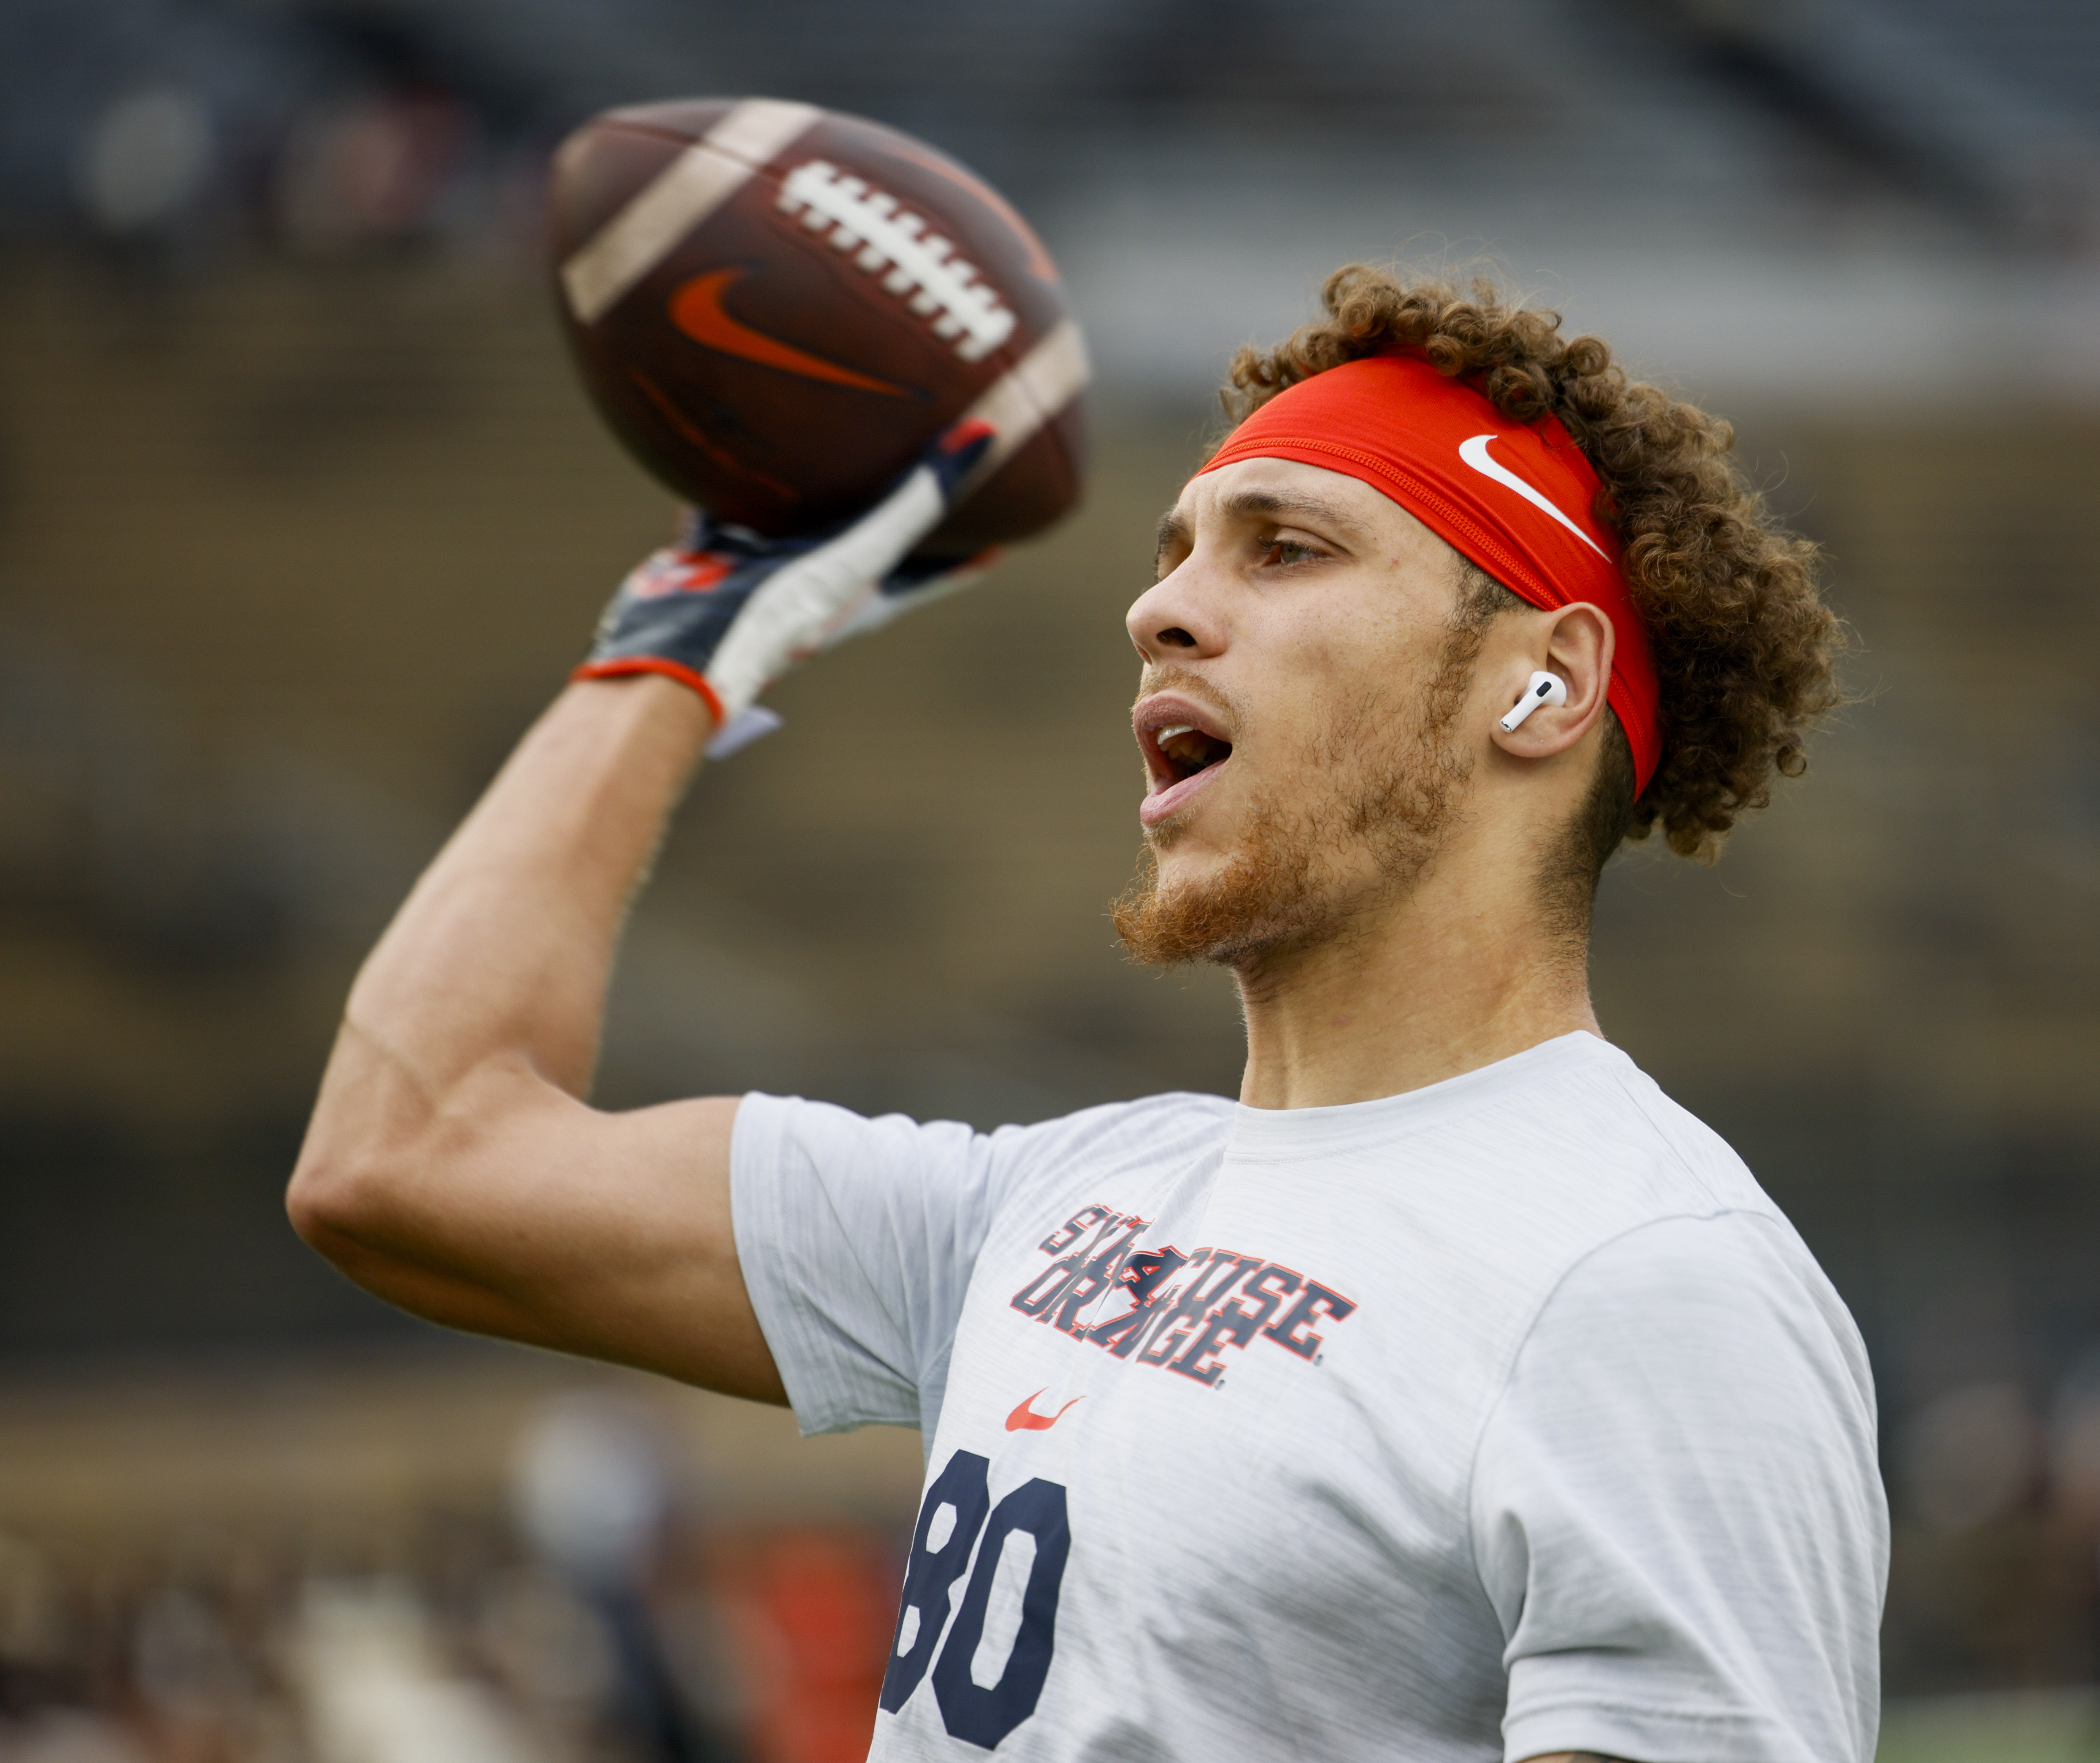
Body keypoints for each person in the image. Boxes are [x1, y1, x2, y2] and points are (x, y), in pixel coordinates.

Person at [289, 265, 1886, 1763]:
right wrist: (681, 641)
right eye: (1177, 551)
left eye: (1286, 547)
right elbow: (409, 1155)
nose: (1165, 609)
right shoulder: (1051, 1204)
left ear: (1537, 684)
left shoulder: (1639, 1279)